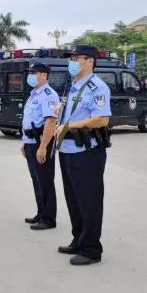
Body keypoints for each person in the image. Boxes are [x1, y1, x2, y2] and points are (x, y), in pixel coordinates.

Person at [54, 45, 111, 266]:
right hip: (68, 150)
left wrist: (69, 125)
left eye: (78, 58)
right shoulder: (73, 86)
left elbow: (102, 119)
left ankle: (91, 249)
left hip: (87, 153)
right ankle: (78, 240)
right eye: (73, 58)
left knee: (89, 202)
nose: (73, 62)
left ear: (90, 62)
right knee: (74, 200)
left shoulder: (98, 87)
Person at [20, 62, 59, 231]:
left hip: (41, 142)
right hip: (30, 142)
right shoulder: (34, 94)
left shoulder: (48, 94)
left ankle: (49, 218)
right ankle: (41, 212)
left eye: (34, 72)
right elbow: (30, 120)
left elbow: (50, 121)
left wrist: (43, 147)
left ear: (44, 75)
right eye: (30, 72)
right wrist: (25, 143)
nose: (30, 75)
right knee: (36, 180)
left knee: (45, 180)